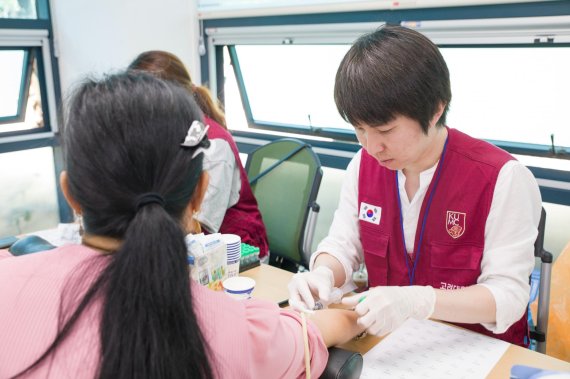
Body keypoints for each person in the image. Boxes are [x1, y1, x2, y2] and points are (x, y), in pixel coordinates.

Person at [0, 72, 363, 378]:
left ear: (71, 194)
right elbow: (322, 329)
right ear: (198, 196)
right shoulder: (240, 330)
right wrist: (365, 309)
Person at [288, 25, 542, 347]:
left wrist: (419, 301)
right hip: (392, 346)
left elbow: (508, 296)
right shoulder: (363, 165)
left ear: (436, 109)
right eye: (359, 129)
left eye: (385, 130)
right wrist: (322, 274)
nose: (371, 146)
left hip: (477, 350)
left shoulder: (502, 178)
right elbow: (343, 244)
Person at [128, 50, 269, 259]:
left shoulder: (213, 146)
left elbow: (197, 226)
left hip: (234, 252)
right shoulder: (167, 134)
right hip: (182, 242)